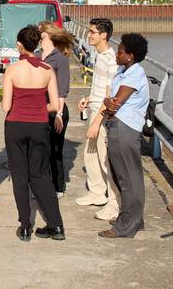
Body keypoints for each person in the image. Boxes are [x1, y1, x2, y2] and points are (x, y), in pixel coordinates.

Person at [1, 25, 65, 241]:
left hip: (16, 125)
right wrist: (37, 108)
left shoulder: (13, 70)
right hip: (39, 126)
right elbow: (55, 105)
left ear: (19, 45)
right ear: (37, 44)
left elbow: (6, 106)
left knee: (20, 176)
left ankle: (25, 226)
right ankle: (56, 225)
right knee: (41, 174)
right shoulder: (47, 69)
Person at [99, 33, 150, 239]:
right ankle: (133, 219)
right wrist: (109, 100)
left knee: (128, 178)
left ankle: (126, 226)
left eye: (120, 52)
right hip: (119, 126)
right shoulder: (124, 71)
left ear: (130, 56)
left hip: (125, 129)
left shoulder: (135, 74)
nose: (116, 55)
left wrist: (108, 101)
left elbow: (114, 103)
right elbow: (112, 101)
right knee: (123, 176)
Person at [76, 17, 120, 221]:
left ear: (104, 35)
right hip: (95, 108)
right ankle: (96, 192)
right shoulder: (100, 56)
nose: (88, 35)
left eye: (92, 32)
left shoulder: (111, 60)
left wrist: (96, 121)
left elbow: (110, 95)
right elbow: (101, 89)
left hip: (102, 115)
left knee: (104, 159)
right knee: (90, 155)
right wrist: (88, 98)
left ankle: (114, 203)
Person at [38, 21, 73, 195]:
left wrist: (58, 114)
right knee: (40, 150)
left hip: (56, 109)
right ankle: (41, 185)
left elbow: (62, 89)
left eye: (41, 34)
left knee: (55, 150)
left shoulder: (60, 58)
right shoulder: (37, 56)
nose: (39, 38)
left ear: (49, 35)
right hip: (39, 108)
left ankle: (58, 187)